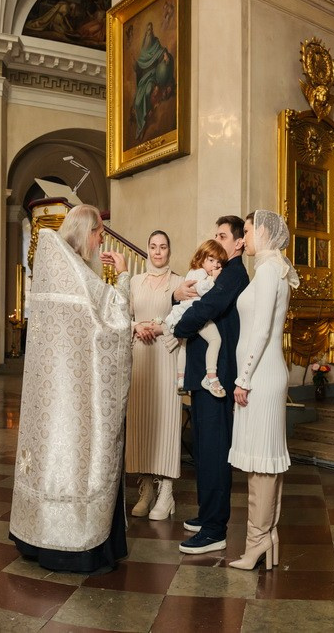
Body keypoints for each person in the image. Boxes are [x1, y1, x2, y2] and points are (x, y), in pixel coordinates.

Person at [8, 205, 133, 574]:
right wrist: (123, 276)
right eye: (99, 233)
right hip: (77, 398)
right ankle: (76, 543)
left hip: (53, 397)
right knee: (80, 459)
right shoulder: (76, 271)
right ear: (86, 231)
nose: (100, 240)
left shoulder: (55, 265)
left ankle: (37, 535)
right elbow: (115, 318)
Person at [168, 214, 247, 555]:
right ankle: (206, 514)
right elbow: (189, 299)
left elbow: (207, 308)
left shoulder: (233, 273)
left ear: (239, 242)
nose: (217, 241)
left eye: (223, 235)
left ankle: (215, 528)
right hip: (202, 374)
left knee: (215, 452)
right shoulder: (220, 273)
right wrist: (177, 298)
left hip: (219, 375)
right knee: (203, 448)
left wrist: (176, 327)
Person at [227, 209, 296, 571]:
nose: (244, 238)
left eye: (249, 231)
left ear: (265, 233)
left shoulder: (270, 270)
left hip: (263, 376)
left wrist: (244, 377)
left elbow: (263, 330)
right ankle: (264, 538)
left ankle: (258, 541)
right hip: (261, 374)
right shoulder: (269, 268)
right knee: (260, 462)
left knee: (262, 464)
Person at [125, 230, 181, 520]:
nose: (158, 251)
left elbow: (185, 321)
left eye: (163, 247)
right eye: (153, 246)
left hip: (166, 356)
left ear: (170, 251)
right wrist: (136, 327)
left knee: (166, 421)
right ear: (147, 250)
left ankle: (167, 491)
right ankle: (146, 489)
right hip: (141, 357)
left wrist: (159, 328)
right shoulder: (135, 281)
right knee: (142, 420)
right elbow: (124, 314)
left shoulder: (180, 283)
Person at [162, 241, 231, 396]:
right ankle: (211, 376)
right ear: (201, 257)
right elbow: (202, 289)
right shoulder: (200, 273)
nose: (215, 265)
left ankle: (181, 379)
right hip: (193, 313)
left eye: (218, 262)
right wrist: (214, 279)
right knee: (215, 340)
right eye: (211, 260)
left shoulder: (192, 272)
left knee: (184, 346)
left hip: (184, 314)